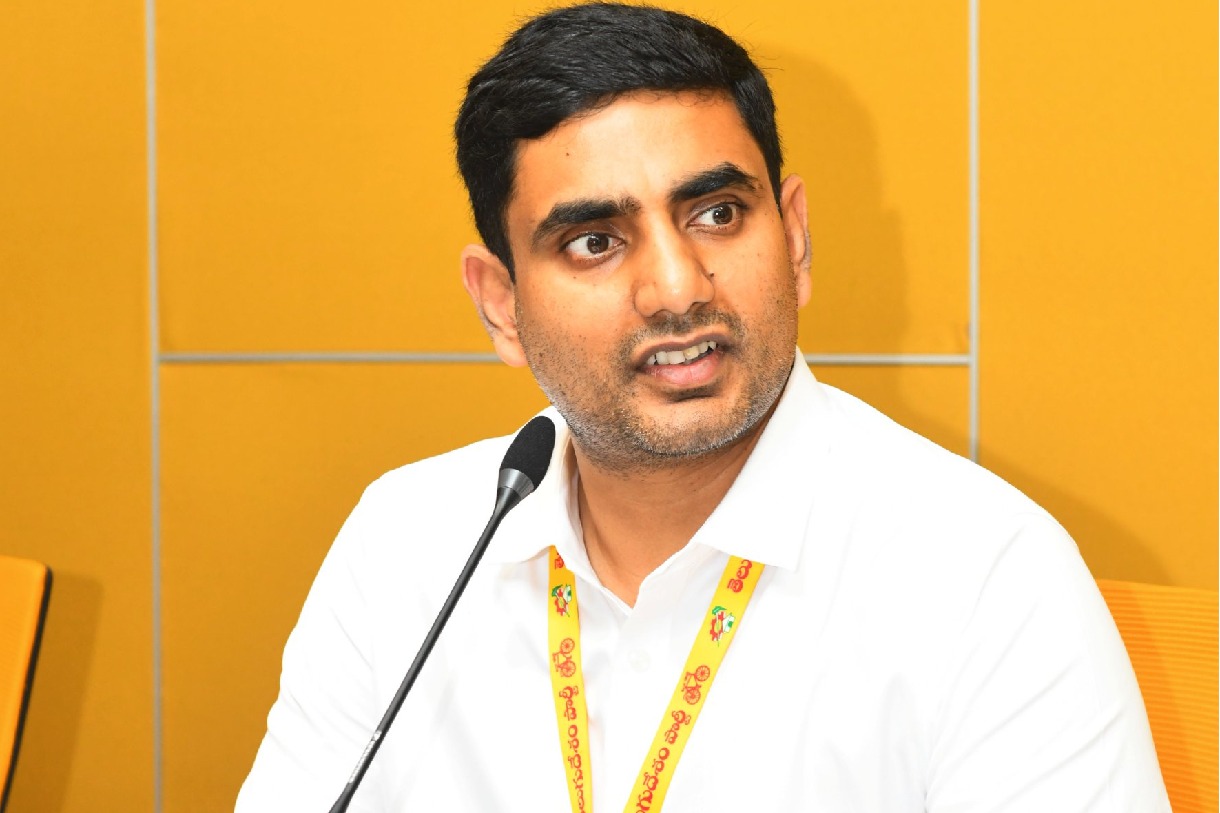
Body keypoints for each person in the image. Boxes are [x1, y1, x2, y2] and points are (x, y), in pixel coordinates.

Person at [236, 4, 1169, 811]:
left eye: (717, 213)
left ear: (794, 238)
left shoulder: (983, 576)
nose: (678, 288)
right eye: (596, 241)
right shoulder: (407, 547)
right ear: (502, 305)